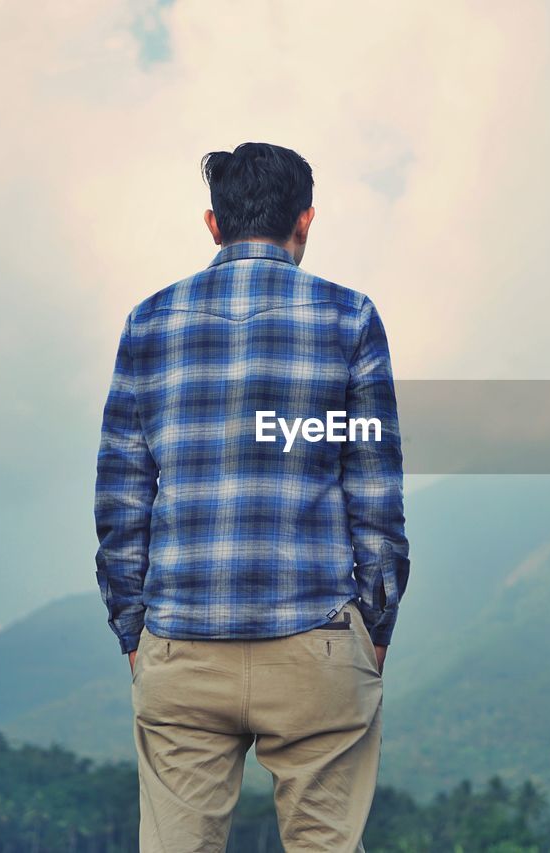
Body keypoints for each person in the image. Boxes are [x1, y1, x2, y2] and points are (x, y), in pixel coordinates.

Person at [93, 141, 410, 852]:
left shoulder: (147, 323)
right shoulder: (350, 317)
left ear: (214, 224)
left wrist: (134, 632)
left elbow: (120, 499)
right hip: (317, 643)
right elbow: (376, 496)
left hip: (180, 642)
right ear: (307, 220)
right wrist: (373, 627)